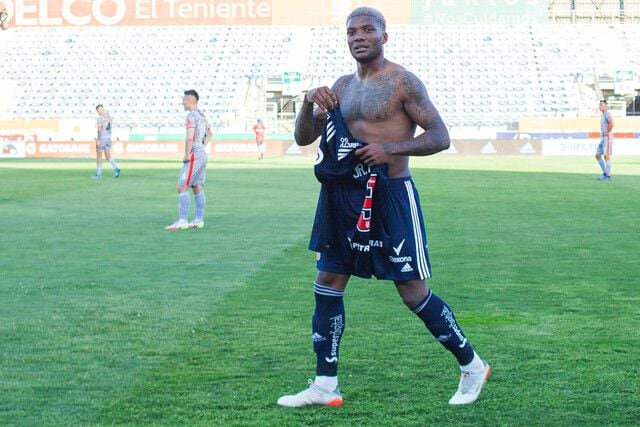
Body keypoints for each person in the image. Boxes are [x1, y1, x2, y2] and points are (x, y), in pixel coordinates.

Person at [277, 7, 489, 408]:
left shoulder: (402, 82)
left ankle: (472, 364)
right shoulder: (341, 86)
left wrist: (389, 148)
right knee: (327, 284)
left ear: (384, 37)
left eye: (367, 30)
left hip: (390, 193)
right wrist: (307, 103)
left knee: (412, 292)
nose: (358, 36)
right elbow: (305, 137)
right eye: (351, 31)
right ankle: (325, 385)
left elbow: (441, 136)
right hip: (343, 198)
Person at [165, 90, 212, 230]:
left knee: (181, 186)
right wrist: (202, 146)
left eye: (184, 100)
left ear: (190, 101)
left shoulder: (191, 116)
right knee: (197, 187)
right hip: (202, 153)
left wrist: (187, 154)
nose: (182, 103)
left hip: (194, 154)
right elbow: (210, 134)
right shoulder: (202, 115)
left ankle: (182, 220)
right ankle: (198, 220)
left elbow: (190, 137)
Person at [92, 105, 120, 179]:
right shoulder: (109, 116)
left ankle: (99, 174)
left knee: (99, 156)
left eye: (98, 109)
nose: (98, 111)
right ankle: (116, 168)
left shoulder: (99, 118)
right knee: (108, 156)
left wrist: (98, 139)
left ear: (100, 110)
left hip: (102, 138)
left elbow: (99, 129)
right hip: (108, 138)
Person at [596, 99, 614, 181]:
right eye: (599, 105)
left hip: (607, 138)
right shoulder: (603, 115)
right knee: (598, 155)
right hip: (603, 138)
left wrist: (607, 132)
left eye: (601, 105)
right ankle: (605, 174)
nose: (600, 106)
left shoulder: (607, 113)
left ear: (606, 106)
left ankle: (608, 176)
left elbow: (612, 123)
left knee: (607, 156)